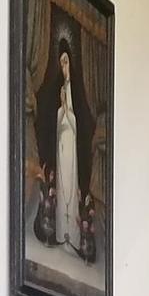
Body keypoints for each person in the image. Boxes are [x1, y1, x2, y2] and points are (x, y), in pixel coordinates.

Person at [54, 42, 83, 252]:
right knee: (62, 185)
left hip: (71, 150)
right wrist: (62, 109)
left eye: (67, 62)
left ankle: (72, 235)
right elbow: (59, 125)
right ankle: (60, 231)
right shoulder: (59, 108)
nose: (64, 65)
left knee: (70, 188)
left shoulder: (72, 104)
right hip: (62, 150)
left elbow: (74, 122)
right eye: (61, 62)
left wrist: (66, 107)